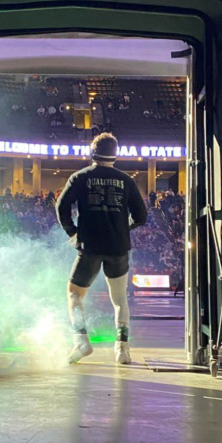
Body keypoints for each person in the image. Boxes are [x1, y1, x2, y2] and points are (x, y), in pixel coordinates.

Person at [56, 133, 147, 365]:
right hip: (118, 247)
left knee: (74, 295)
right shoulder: (127, 180)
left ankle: (81, 341)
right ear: (115, 155)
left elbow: (61, 206)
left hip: (90, 247)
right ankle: (122, 350)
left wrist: (71, 231)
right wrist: (122, 228)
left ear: (92, 152)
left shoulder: (80, 177)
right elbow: (141, 216)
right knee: (119, 300)